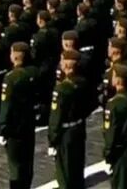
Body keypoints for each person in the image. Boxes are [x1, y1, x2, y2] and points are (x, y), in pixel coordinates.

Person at [0, 41, 37, 189]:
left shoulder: (11, 78)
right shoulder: (34, 72)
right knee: (28, 162)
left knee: (15, 166)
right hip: (28, 123)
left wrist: (2, 127)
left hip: (14, 128)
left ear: (14, 56)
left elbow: (6, 105)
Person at [49, 49, 88, 189]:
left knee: (64, 171)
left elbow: (56, 117)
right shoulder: (83, 82)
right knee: (77, 167)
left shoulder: (61, 89)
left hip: (65, 133)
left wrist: (52, 139)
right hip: (79, 127)